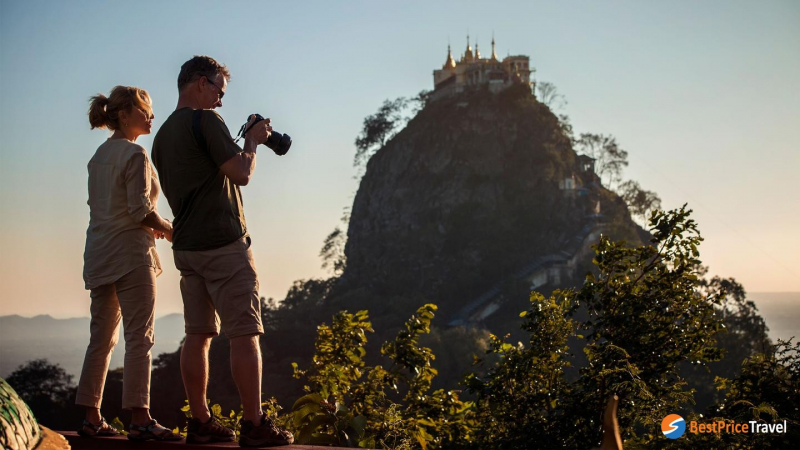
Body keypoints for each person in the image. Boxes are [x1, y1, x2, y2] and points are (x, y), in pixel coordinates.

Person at [151, 55, 294, 447]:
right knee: (245, 333)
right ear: (201, 82)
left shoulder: (162, 136)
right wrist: (253, 140)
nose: (221, 100)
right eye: (219, 90)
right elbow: (241, 173)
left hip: (187, 247)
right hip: (223, 244)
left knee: (197, 334)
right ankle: (254, 424)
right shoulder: (206, 121)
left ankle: (200, 421)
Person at [78, 86, 181, 442]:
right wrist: (170, 228)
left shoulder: (99, 156)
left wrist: (154, 224)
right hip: (131, 256)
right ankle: (140, 418)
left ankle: (91, 417)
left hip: (99, 254)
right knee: (140, 337)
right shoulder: (135, 153)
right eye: (144, 109)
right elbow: (139, 210)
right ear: (124, 115)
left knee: (100, 339)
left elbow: (109, 208)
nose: (151, 116)